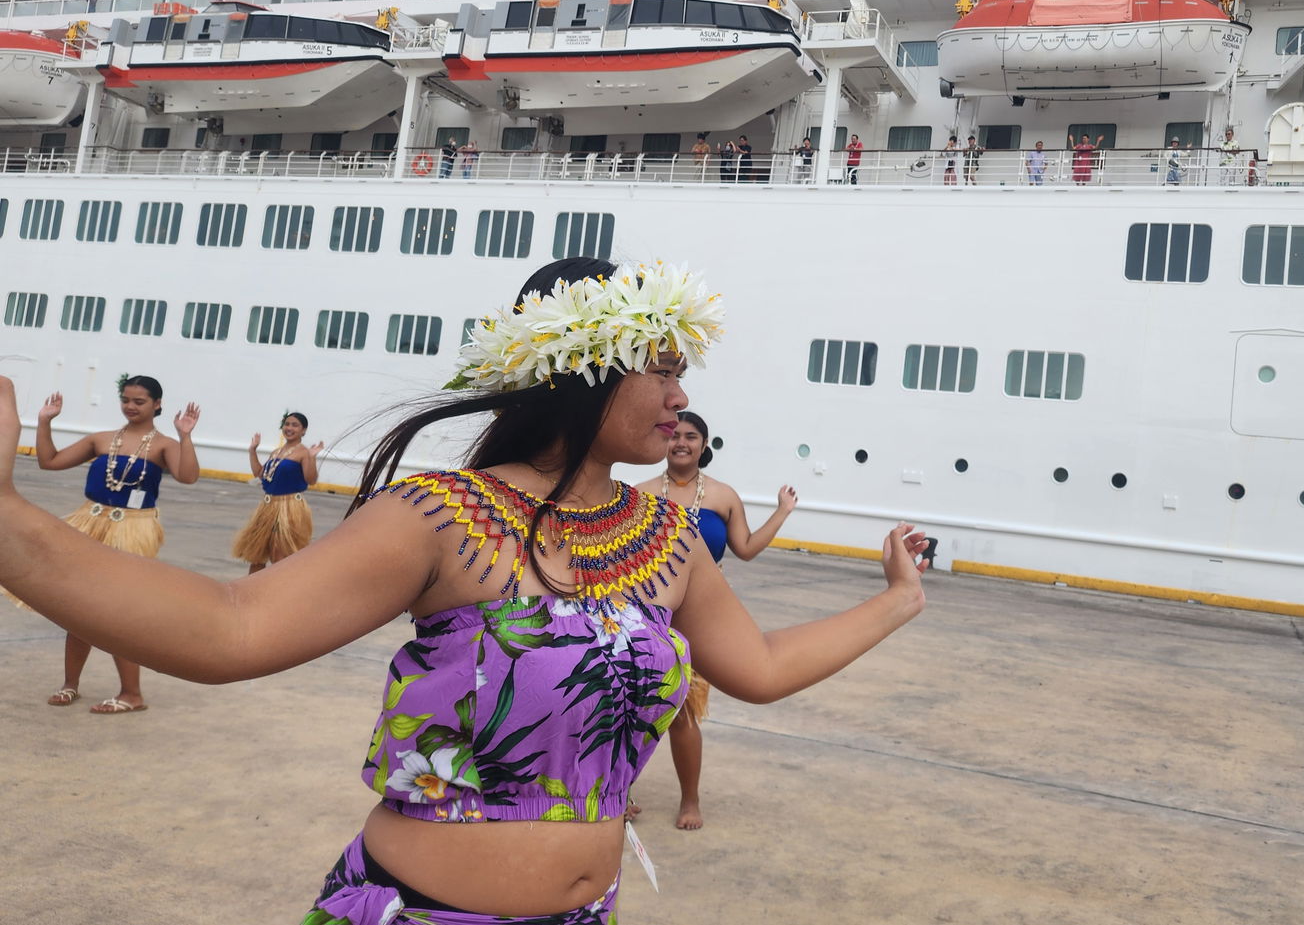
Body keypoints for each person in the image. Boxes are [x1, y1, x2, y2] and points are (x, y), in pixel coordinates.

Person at [0, 258, 928, 924]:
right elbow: (230, 628)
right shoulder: (441, 513)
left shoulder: (668, 537)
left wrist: (896, 600)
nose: (682, 392)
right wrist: (12, 524)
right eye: (663, 363)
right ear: (580, 363)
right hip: (417, 912)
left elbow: (758, 665)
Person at [649, 411, 798, 830]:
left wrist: (782, 511)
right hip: (648, 611)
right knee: (626, 705)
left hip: (700, 617)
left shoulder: (722, 496)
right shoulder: (638, 492)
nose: (681, 442)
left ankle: (690, 800)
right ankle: (617, 794)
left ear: (703, 444)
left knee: (682, 712)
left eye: (690, 436)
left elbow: (746, 549)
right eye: (674, 434)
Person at [27, 375, 201, 714]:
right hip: (89, 523)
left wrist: (185, 435)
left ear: (157, 405)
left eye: (139, 401)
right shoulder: (101, 439)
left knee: (117, 612)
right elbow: (48, 461)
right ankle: (70, 684)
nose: (131, 406)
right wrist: (44, 422)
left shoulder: (163, 445)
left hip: (133, 530)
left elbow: (188, 475)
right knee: (78, 608)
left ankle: (131, 694)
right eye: (126, 400)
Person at [232, 411, 324, 575]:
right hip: (267, 507)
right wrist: (253, 450)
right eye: (287, 424)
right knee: (257, 555)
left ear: (303, 431)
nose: (289, 428)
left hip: (288, 508)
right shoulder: (276, 453)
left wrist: (312, 458)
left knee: (279, 556)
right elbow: (260, 474)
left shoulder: (303, 452)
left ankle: (276, 595)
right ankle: (251, 593)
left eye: (295, 425)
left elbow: (311, 479)